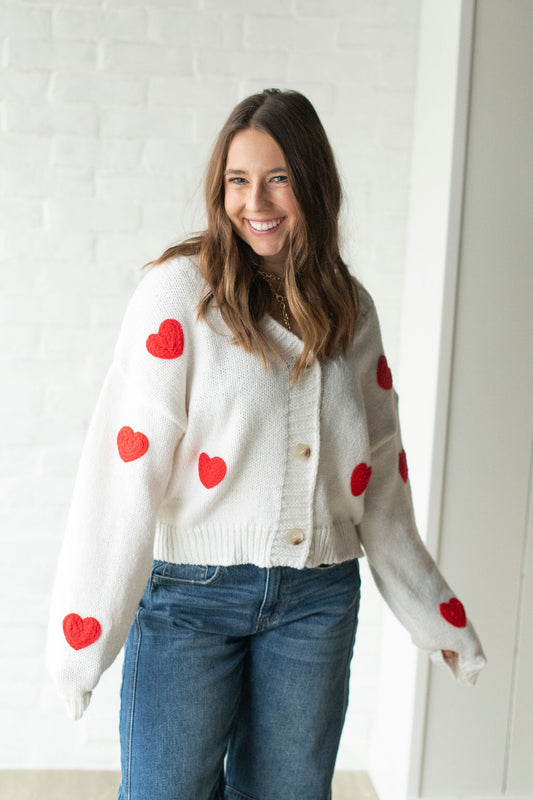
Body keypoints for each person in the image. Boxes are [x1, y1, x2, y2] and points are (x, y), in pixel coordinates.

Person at [46, 88, 486, 800]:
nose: (256, 202)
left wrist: (436, 617)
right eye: (238, 180)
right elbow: (124, 468)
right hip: (191, 598)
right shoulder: (178, 296)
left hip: (317, 601)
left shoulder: (351, 310)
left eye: (278, 178)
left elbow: (380, 482)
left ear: (312, 184)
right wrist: (82, 643)